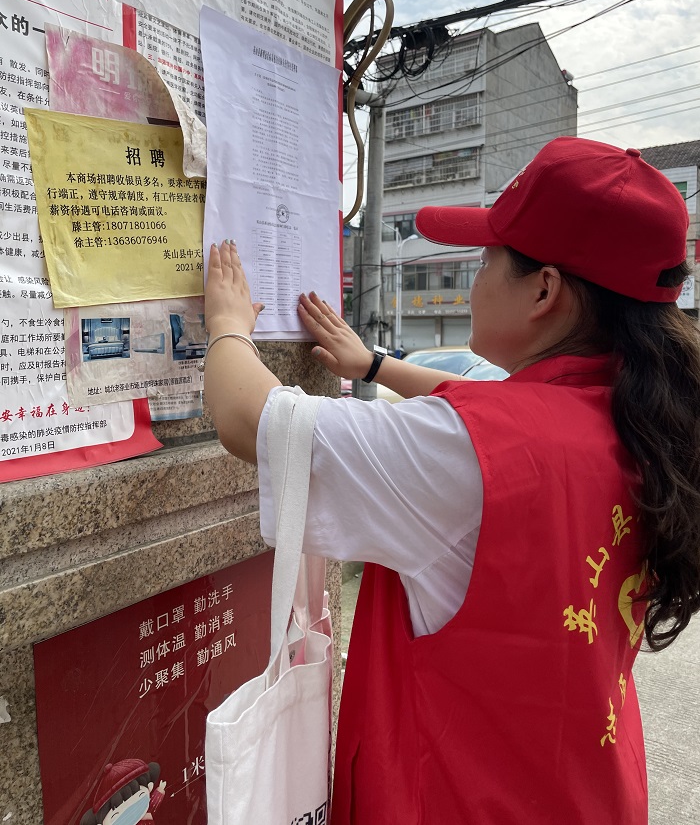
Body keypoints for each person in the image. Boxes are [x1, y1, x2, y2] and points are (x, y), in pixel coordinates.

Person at [202, 136, 700, 825]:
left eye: (488, 257)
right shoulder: (647, 419)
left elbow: (249, 420)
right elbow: (493, 411)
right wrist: (374, 365)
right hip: (588, 794)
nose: (476, 278)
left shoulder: (472, 453)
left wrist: (226, 325)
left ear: (545, 290)